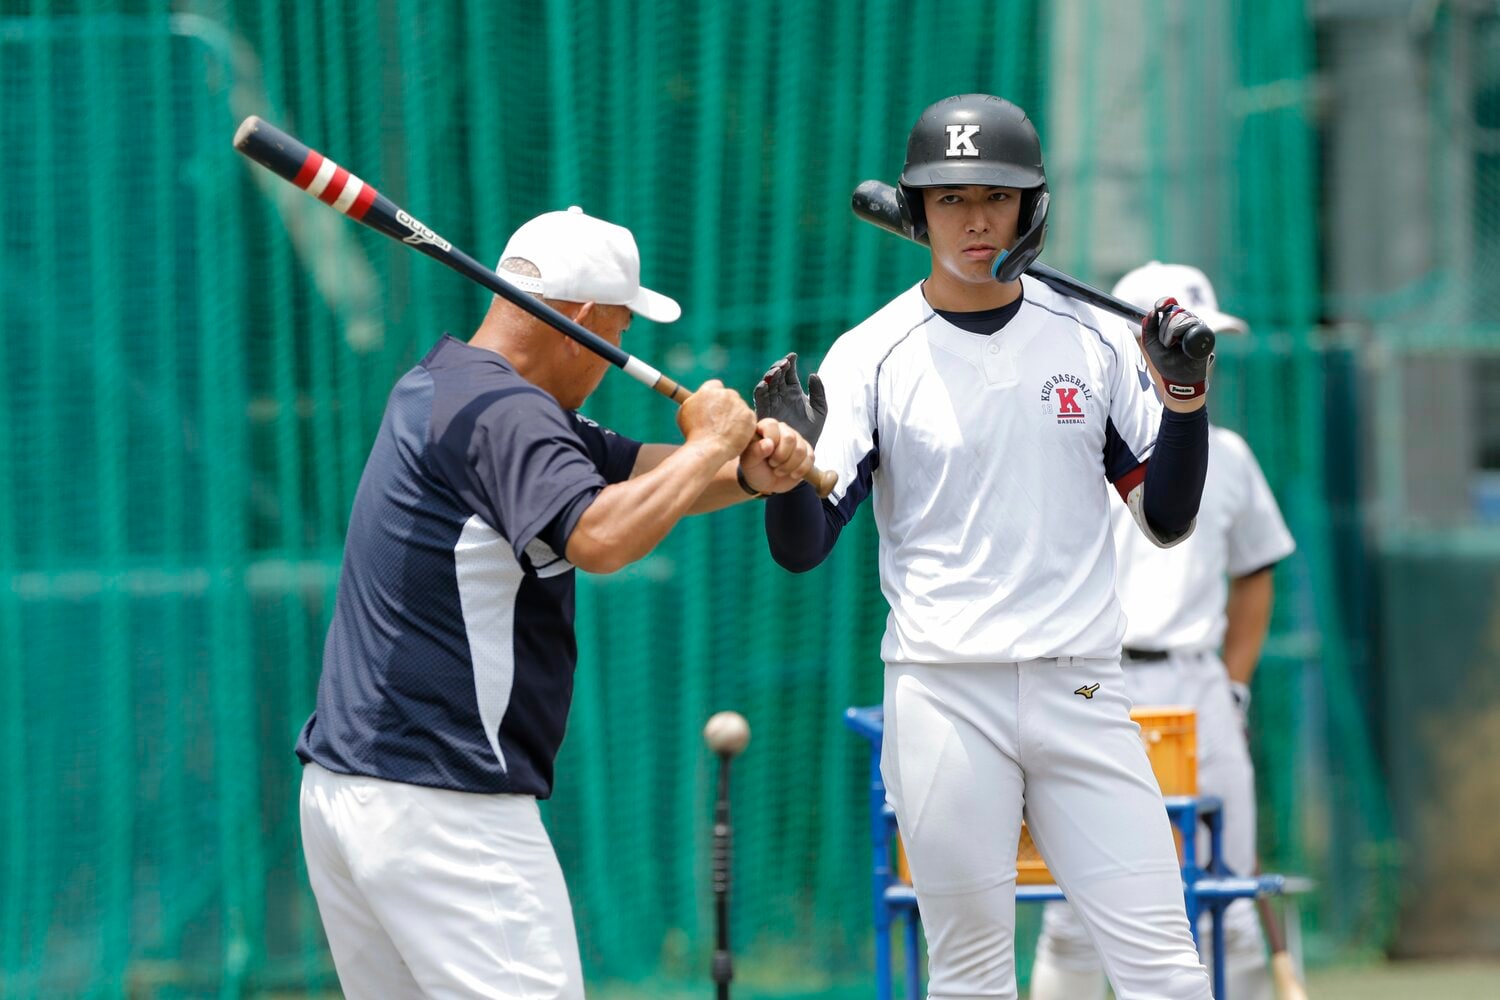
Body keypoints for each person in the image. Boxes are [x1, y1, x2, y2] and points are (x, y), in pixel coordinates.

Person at [754, 94, 1217, 999]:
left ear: (1030, 209)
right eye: (950, 198)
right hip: (942, 694)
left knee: (1166, 969)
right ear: (915, 209)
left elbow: (1166, 518)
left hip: (1080, 683)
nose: (974, 220)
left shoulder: (1091, 339)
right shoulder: (872, 354)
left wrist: (1186, 402)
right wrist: (783, 473)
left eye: (996, 198)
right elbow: (803, 550)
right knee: (969, 978)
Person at [295, 205, 815, 1000]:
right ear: (578, 323)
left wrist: (750, 471)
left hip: (353, 790)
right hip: (446, 805)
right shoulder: (509, 414)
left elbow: (638, 475)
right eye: (616, 332)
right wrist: (713, 441)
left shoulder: (449, 385)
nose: (617, 359)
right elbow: (601, 537)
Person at [1029, 262, 1297, 1000]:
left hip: (1196, 680)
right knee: (1073, 916)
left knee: (1230, 904)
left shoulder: (1230, 455)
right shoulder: (1074, 434)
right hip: (1092, 678)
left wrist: (1233, 687)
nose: (1201, 358)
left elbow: (1256, 574)